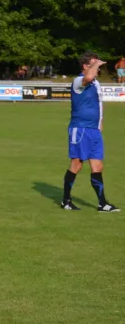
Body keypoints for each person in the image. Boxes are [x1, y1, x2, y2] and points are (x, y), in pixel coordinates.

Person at [61, 51, 119, 212]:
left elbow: (99, 104)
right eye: (95, 65)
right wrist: (95, 65)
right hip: (80, 129)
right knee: (77, 164)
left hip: (93, 131)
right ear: (86, 66)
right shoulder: (79, 80)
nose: (99, 69)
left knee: (98, 166)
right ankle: (66, 200)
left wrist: (100, 123)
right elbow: (87, 78)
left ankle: (103, 203)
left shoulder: (96, 83)